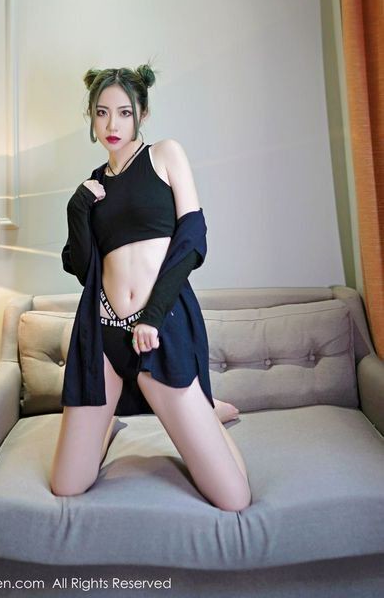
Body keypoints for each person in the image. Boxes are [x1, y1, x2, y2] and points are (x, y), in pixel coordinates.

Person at [50, 64, 251, 511]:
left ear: (142, 113)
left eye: (124, 112)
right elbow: (83, 269)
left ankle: (206, 415)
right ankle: (108, 425)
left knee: (234, 497)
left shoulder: (164, 155)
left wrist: (153, 317)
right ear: (91, 117)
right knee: (67, 484)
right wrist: (76, 209)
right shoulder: (93, 185)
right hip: (102, 334)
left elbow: (192, 239)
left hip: (159, 331)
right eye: (102, 113)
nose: (112, 124)